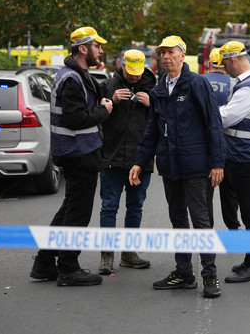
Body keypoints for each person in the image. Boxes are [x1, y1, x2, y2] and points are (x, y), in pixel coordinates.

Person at [129, 36, 226, 298]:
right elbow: (152, 130)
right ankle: (184, 272)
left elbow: (213, 124)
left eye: (171, 52)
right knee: (178, 220)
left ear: (183, 55)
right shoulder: (160, 89)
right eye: (162, 53)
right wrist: (140, 161)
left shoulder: (196, 84)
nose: (166, 57)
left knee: (201, 221)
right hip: (170, 166)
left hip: (196, 166)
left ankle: (210, 276)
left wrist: (217, 162)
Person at [29, 26, 113, 287]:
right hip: (78, 153)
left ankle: (44, 262)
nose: (101, 50)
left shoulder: (76, 75)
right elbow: (75, 119)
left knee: (68, 209)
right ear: (83, 48)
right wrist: (103, 110)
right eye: (97, 46)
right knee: (78, 212)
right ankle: (68, 267)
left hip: (77, 151)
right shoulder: (72, 79)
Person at [97, 49, 156, 275]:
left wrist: (152, 104)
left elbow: (165, 118)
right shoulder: (108, 86)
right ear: (122, 64)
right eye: (130, 72)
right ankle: (107, 255)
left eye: (137, 73)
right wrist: (110, 102)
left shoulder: (153, 89)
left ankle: (129, 253)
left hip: (140, 160)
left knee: (135, 207)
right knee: (109, 207)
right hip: (112, 158)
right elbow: (96, 116)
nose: (133, 77)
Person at [217, 41, 250, 283]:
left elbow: (227, 117)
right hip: (244, 156)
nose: (224, 69)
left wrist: (206, 113)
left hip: (247, 158)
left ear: (232, 60)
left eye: (224, 64)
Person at [203, 48, 241, 231]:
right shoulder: (235, 84)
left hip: (205, 146)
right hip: (229, 145)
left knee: (205, 193)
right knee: (229, 193)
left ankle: (206, 231)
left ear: (210, 63)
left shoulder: (199, 81)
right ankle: (233, 228)